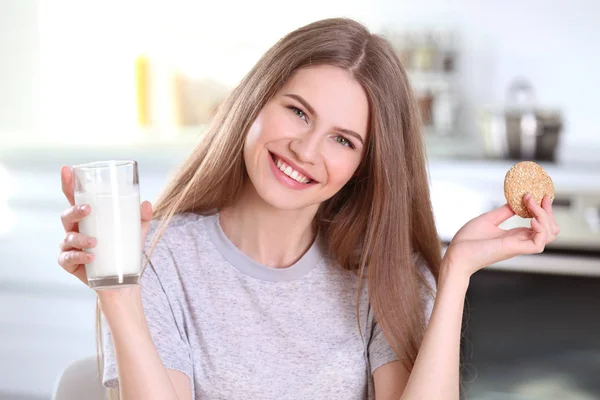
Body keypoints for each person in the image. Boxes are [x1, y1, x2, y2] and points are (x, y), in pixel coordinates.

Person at [57, 18, 559, 400]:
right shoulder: (158, 258)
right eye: (297, 111)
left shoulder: (385, 275)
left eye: (342, 139)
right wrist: (119, 295)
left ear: (365, 165)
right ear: (254, 102)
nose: (306, 150)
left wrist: (454, 277)